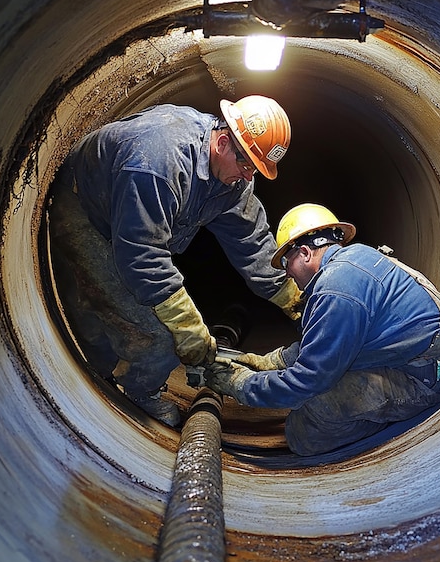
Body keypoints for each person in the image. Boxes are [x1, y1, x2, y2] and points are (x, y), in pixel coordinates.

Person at [48, 96, 302, 428]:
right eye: (245, 164)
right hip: (88, 214)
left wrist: (294, 300)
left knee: (125, 316)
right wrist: (188, 328)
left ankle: (102, 372)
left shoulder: (234, 178)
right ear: (223, 142)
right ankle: (132, 393)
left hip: (132, 225)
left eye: (254, 168)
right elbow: (142, 257)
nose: (247, 176)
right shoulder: (157, 162)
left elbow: (249, 240)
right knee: (156, 333)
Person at [202, 203, 440, 456]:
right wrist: (265, 363)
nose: (287, 274)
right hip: (421, 356)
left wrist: (241, 385)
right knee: (321, 382)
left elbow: (307, 381)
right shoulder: (354, 259)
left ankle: (385, 428)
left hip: (431, 375)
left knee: (306, 427)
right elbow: (324, 343)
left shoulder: (336, 289)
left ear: (306, 253)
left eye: (287, 263)